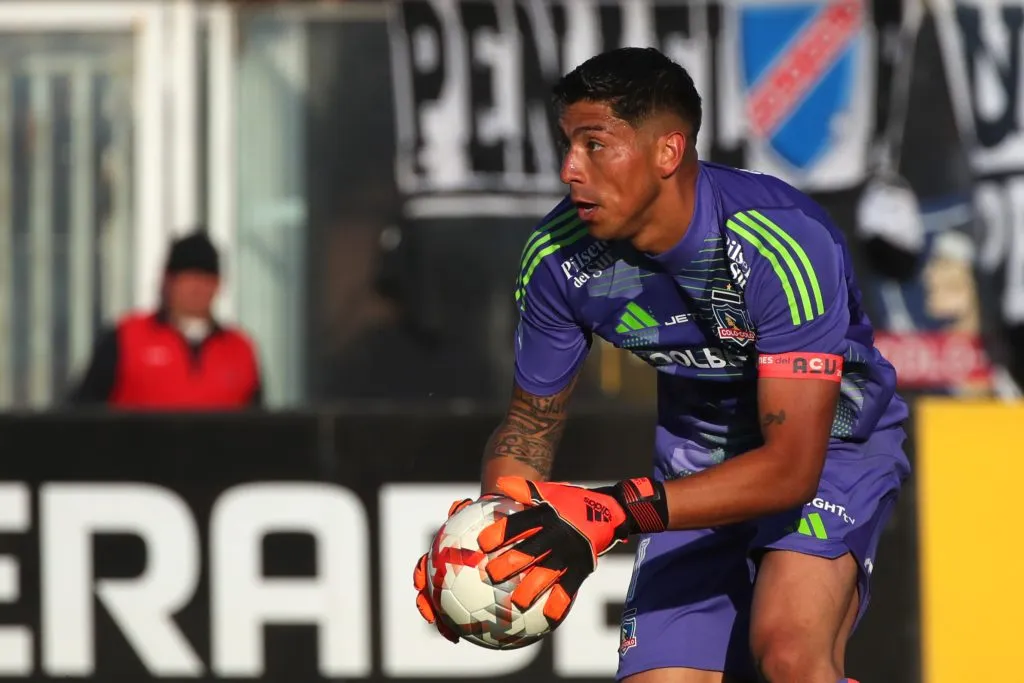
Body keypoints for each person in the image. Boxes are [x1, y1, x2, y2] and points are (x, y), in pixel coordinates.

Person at [413, 47, 910, 683]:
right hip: (695, 465)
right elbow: (530, 427)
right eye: (566, 144)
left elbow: (790, 469)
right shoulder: (557, 258)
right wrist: (489, 542)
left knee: (788, 654)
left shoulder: (778, 242)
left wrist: (615, 511)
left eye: (595, 145)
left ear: (668, 152)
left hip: (830, 452)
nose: (569, 169)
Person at [68, 229, 263, 410]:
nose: (196, 288)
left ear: (218, 285)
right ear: (168, 281)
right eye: (187, 278)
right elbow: (83, 412)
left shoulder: (240, 349)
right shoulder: (126, 337)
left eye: (205, 279)